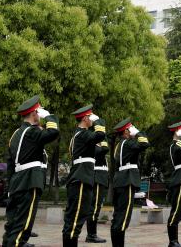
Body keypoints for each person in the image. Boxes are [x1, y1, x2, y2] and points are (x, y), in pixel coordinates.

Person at [1, 96, 59, 247]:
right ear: (34, 114)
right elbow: (53, 132)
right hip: (30, 180)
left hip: (17, 181)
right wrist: (49, 116)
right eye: (39, 112)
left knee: (12, 225)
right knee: (23, 226)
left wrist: (11, 185)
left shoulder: (16, 134)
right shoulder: (32, 132)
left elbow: (10, 163)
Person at [62, 105, 106, 247]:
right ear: (86, 118)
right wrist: (99, 120)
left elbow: (101, 147)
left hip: (83, 178)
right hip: (80, 179)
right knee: (74, 220)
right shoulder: (82, 134)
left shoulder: (82, 135)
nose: (92, 120)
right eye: (91, 117)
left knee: (77, 219)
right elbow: (100, 135)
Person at [110, 118, 149, 247]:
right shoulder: (127, 143)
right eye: (130, 128)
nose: (132, 130)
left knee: (118, 217)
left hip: (120, 180)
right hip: (127, 180)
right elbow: (145, 143)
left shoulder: (119, 145)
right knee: (123, 218)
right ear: (126, 131)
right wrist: (138, 133)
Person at [165, 121, 181, 247]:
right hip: (179, 180)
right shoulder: (174, 146)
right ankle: (172, 242)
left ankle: (175, 241)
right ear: (177, 132)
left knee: (179, 212)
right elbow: (178, 151)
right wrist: (180, 138)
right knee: (175, 212)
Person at [84, 122, 110, 244]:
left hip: (101, 176)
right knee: (94, 207)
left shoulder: (95, 144)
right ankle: (91, 235)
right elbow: (105, 149)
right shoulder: (92, 145)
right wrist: (102, 136)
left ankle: (92, 234)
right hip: (97, 176)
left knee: (96, 207)